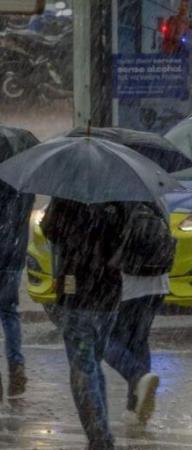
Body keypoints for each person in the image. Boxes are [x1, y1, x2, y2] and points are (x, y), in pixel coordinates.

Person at [41, 198, 127, 450]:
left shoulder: (68, 197)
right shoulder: (119, 198)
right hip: (109, 296)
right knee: (93, 364)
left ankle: (99, 436)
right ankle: (101, 431)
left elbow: (49, 230)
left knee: (83, 368)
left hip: (77, 292)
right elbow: (125, 241)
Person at [104, 201, 173, 426]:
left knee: (103, 339)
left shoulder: (113, 200)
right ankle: (135, 408)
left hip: (126, 283)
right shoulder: (155, 195)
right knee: (139, 341)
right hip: (158, 281)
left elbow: (105, 242)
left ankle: (137, 377)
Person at [0, 181, 33, 400]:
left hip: (5, 249)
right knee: (9, 311)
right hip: (15, 254)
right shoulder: (25, 183)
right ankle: (16, 365)